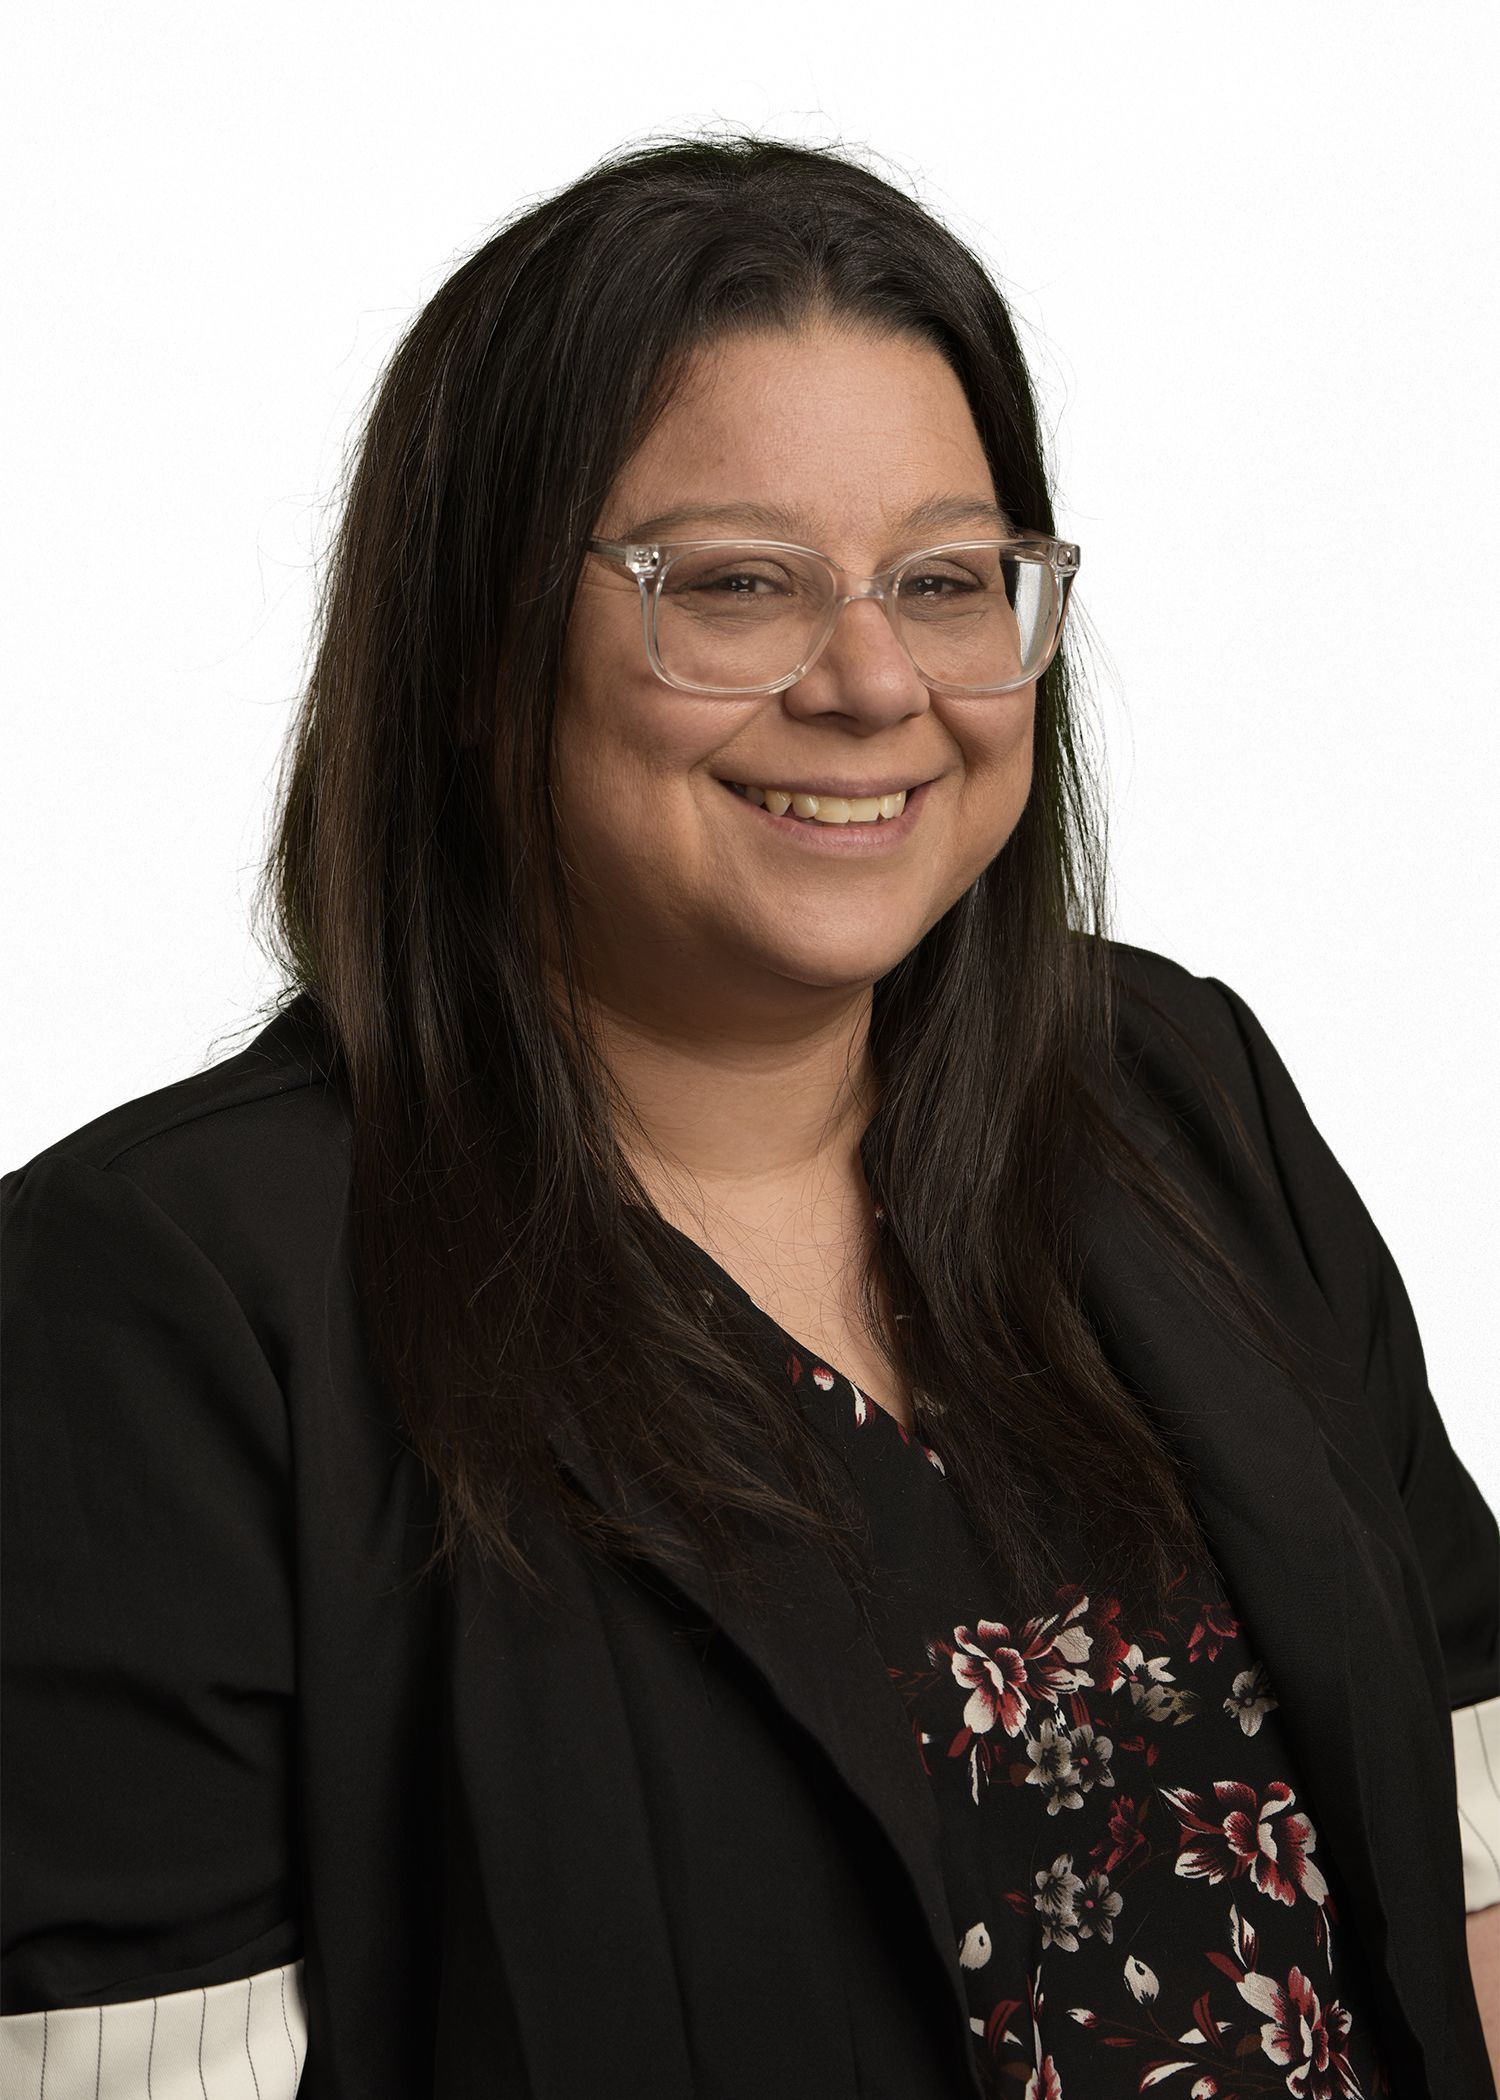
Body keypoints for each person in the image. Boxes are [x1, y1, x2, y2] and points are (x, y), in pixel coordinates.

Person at [2, 133, 1496, 2100]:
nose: (875, 681)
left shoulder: (1179, 1096)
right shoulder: (153, 1312)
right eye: (734, 587)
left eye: (948, 583)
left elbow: (1467, 1866)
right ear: (473, 652)